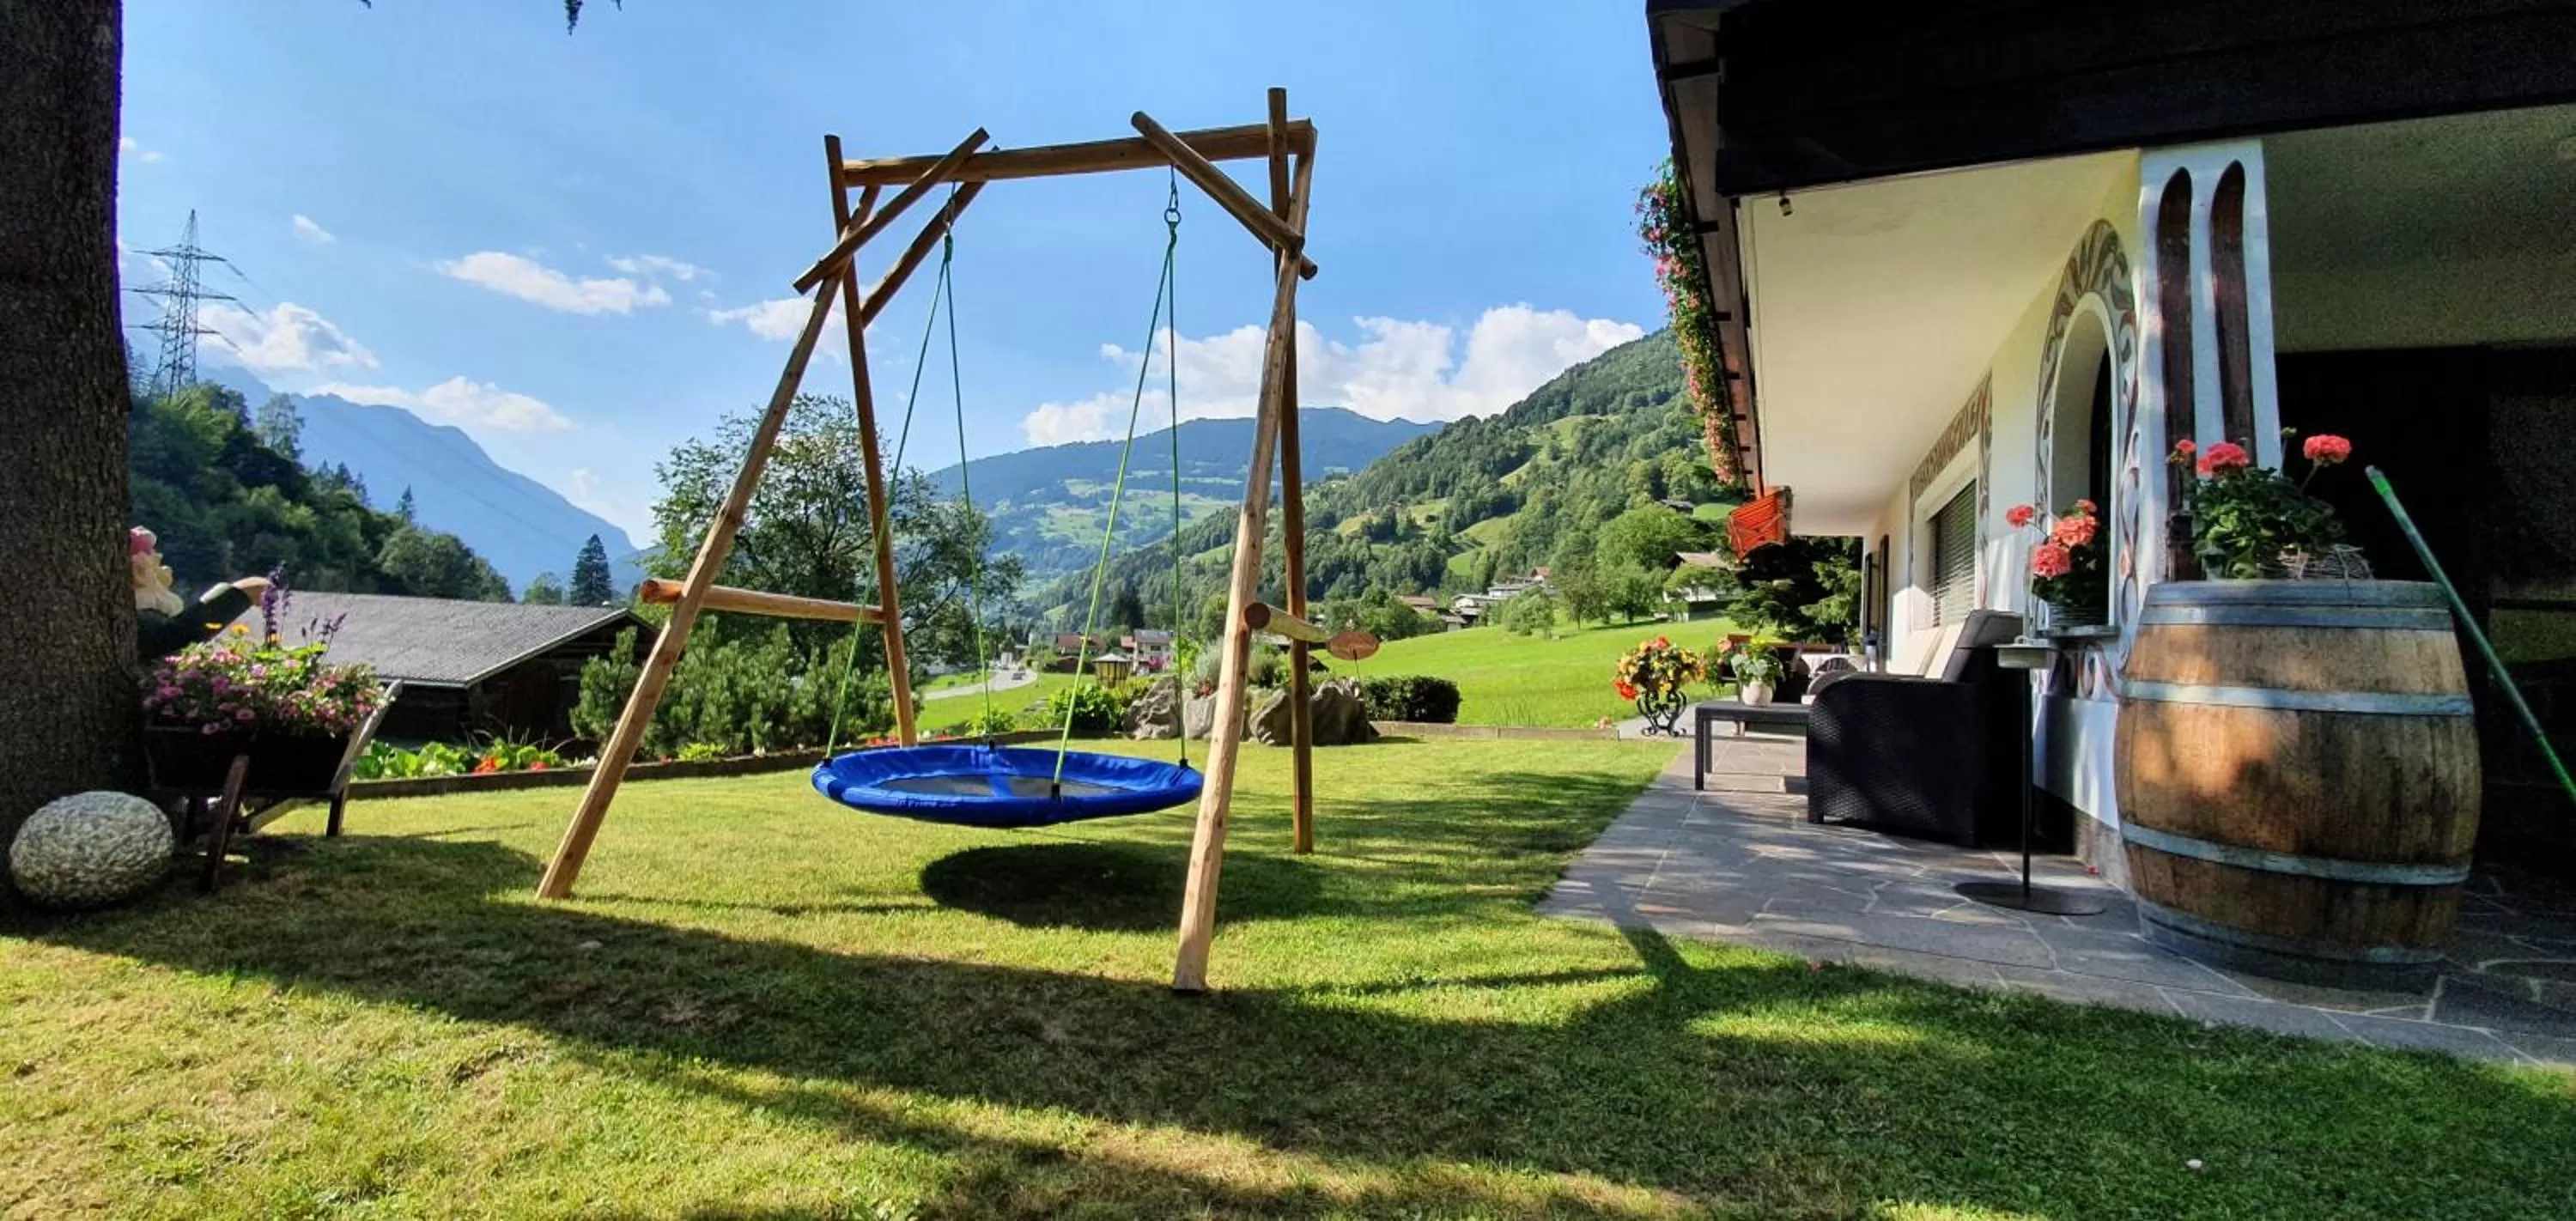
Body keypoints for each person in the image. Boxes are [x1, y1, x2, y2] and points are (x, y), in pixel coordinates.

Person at [131, 527, 271, 659]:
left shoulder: (149, 605)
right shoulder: (139, 616)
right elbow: (171, 638)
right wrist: (238, 594)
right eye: (154, 566)